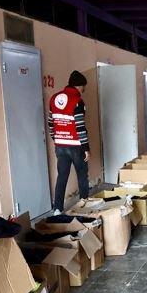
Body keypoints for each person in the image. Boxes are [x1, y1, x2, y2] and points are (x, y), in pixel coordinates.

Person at [48, 70, 90, 215]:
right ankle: (84, 204)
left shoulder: (54, 98)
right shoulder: (77, 101)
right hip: (76, 146)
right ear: (79, 86)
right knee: (82, 175)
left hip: (60, 145)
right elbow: (80, 127)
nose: (83, 89)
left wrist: (56, 138)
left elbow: (51, 122)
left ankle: (57, 209)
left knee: (62, 176)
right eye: (83, 86)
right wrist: (86, 147)